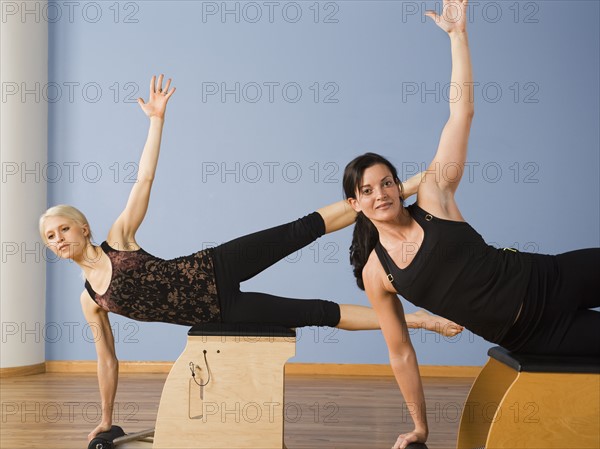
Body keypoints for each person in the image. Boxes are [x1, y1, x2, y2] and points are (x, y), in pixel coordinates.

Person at [39, 74, 463, 442]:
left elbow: (144, 178)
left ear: (84, 229)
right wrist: (107, 419)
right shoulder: (91, 301)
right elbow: (107, 359)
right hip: (222, 311)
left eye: (63, 229)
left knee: (301, 229)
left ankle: (404, 187)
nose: (58, 239)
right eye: (49, 237)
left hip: (215, 265)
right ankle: (421, 319)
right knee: (317, 312)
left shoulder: (119, 239)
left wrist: (156, 121)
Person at [342, 1, 600, 448]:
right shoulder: (377, 273)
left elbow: (461, 115)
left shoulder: (433, 198)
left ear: (398, 185)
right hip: (534, 334)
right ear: (355, 202)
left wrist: (457, 37)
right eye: (367, 190)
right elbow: (400, 351)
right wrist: (421, 427)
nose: (380, 193)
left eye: (386, 183)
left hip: (550, 277)